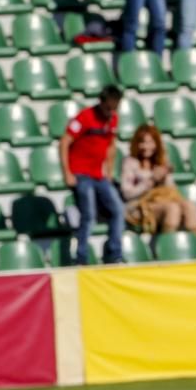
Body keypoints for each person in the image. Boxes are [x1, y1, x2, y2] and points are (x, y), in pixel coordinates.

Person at [59, 85, 125, 265]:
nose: (111, 112)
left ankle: (114, 253)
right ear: (101, 102)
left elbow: (111, 145)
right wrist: (67, 173)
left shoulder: (112, 120)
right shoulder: (85, 117)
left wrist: (109, 172)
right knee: (88, 214)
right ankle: (81, 257)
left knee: (118, 210)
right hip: (81, 174)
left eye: (114, 108)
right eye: (108, 108)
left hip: (99, 175)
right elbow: (64, 142)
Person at [120, 124, 196, 234]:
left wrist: (164, 177)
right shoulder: (130, 162)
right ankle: (168, 248)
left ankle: (194, 245)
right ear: (136, 144)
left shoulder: (161, 161)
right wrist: (152, 180)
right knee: (172, 209)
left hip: (161, 201)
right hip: (138, 206)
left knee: (190, 206)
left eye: (150, 142)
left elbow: (170, 191)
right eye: (142, 142)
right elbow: (127, 194)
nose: (146, 147)